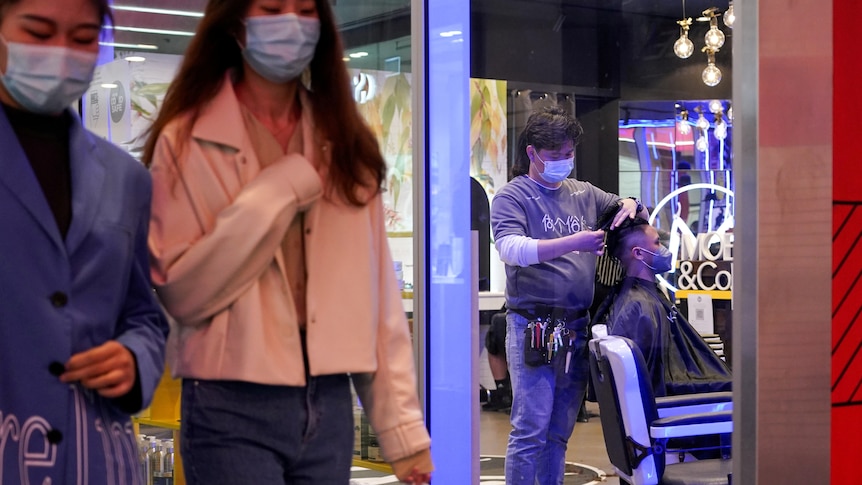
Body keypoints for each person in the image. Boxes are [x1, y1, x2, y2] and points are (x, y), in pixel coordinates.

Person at [142, 1, 432, 484]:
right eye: (273, 7)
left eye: (305, 9)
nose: (292, 23)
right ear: (236, 24)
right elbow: (182, 291)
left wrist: (402, 430)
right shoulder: (187, 140)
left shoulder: (346, 143)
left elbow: (375, 301)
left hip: (329, 403)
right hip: (228, 401)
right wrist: (283, 186)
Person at [0, 0, 170, 483]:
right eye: (38, 32)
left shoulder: (126, 178)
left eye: (81, 39)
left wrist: (135, 358)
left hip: (95, 453)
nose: (60, 54)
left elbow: (144, 314)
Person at [490, 106, 647, 484]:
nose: (565, 162)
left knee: (559, 432)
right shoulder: (514, 196)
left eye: (570, 155)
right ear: (532, 152)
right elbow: (511, 248)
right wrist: (573, 242)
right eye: (557, 156)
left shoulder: (582, 193)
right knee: (530, 430)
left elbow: (625, 207)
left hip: (576, 325)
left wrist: (630, 203)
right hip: (533, 326)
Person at [602, 217, 732, 397]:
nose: (666, 250)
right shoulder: (640, 306)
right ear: (638, 253)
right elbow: (654, 381)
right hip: (670, 402)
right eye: (657, 243)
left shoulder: (642, 298)